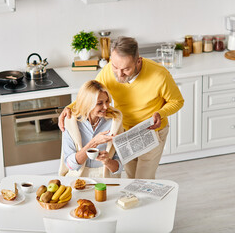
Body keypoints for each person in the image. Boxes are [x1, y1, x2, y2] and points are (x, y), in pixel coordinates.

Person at [59, 36, 184, 179]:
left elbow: (177, 101)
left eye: (126, 69)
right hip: (124, 133)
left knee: (144, 179)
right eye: (115, 67)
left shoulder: (159, 74)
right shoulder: (107, 71)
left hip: (151, 132)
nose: (119, 74)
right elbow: (91, 95)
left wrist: (160, 113)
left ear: (138, 61)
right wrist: (68, 107)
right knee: (130, 177)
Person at [59, 80, 124, 178]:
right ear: (87, 103)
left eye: (107, 101)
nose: (106, 107)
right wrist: (94, 142)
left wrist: (107, 161)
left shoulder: (115, 121)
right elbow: (71, 165)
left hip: (105, 176)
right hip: (78, 176)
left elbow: (119, 168)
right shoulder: (71, 122)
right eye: (99, 103)